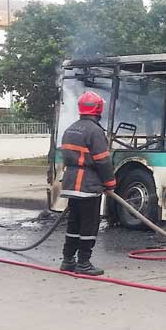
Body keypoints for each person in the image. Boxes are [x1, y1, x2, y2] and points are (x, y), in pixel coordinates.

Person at [59, 91, 117, 276]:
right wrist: (110, 183)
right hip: (88, 185)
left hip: (71, 183)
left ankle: (68, 260)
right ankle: (83, 263)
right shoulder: (95, 131)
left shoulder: (70, 129)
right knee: (89, 225)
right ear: (98, 108)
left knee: (74, 224)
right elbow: (102, 160)